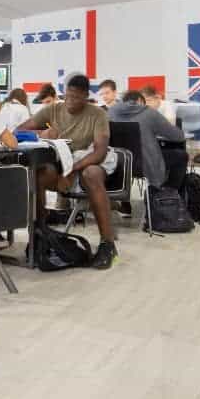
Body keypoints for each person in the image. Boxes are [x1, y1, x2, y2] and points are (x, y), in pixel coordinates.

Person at [18, 72, 119, 270]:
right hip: (62, 160)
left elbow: (99, 152)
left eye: (77, 98)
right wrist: (42, 133)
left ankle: (108, 244)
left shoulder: (97, 114)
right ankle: (40, 234)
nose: (71, 102)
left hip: (89, 161)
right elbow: (19, 132)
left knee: (91, 174)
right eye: (69, 96)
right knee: (38, 174)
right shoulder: (53, 109)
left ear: (86, 95)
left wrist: (71, 170)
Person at [109, 90, 188, 195]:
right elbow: (178, 137)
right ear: (139, 101)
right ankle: (167, 194)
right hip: (145, 165)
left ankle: (126, 204)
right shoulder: (148, 112)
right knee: (181, 156)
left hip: (118, 165)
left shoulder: (110, 113)